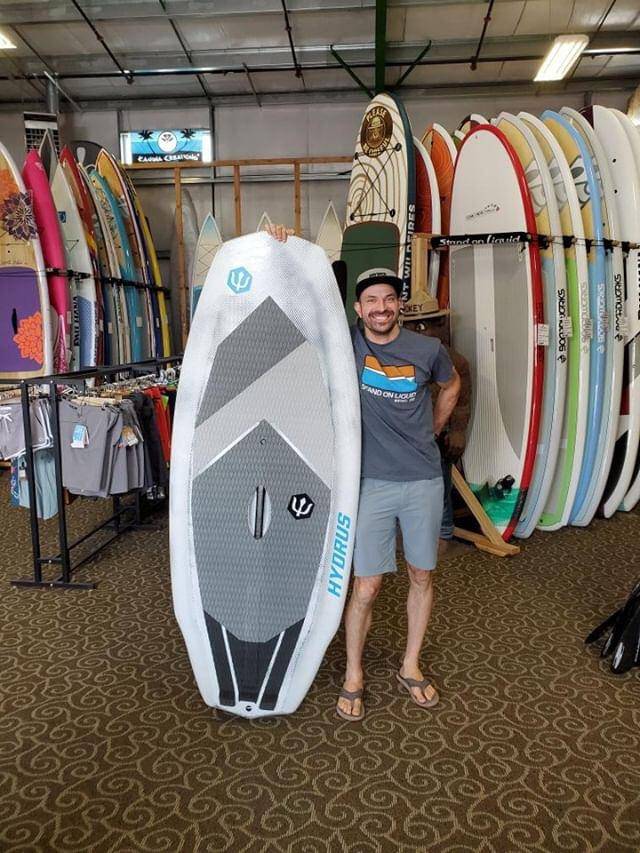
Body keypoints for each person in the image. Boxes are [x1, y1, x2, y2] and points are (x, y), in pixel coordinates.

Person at [266, 225, 460, 721]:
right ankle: (354, 673)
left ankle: (410, 664)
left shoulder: (427, 351)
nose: (381, 307)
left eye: (389, 299)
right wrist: (281, 247)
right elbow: (300, 307)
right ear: (358, 308)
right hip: (369, 483)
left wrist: (433, 430)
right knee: (366, 586)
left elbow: (452, 384)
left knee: (422, 574)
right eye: (371, 300)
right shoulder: (345, 345)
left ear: (400, 305)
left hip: (422, 479)